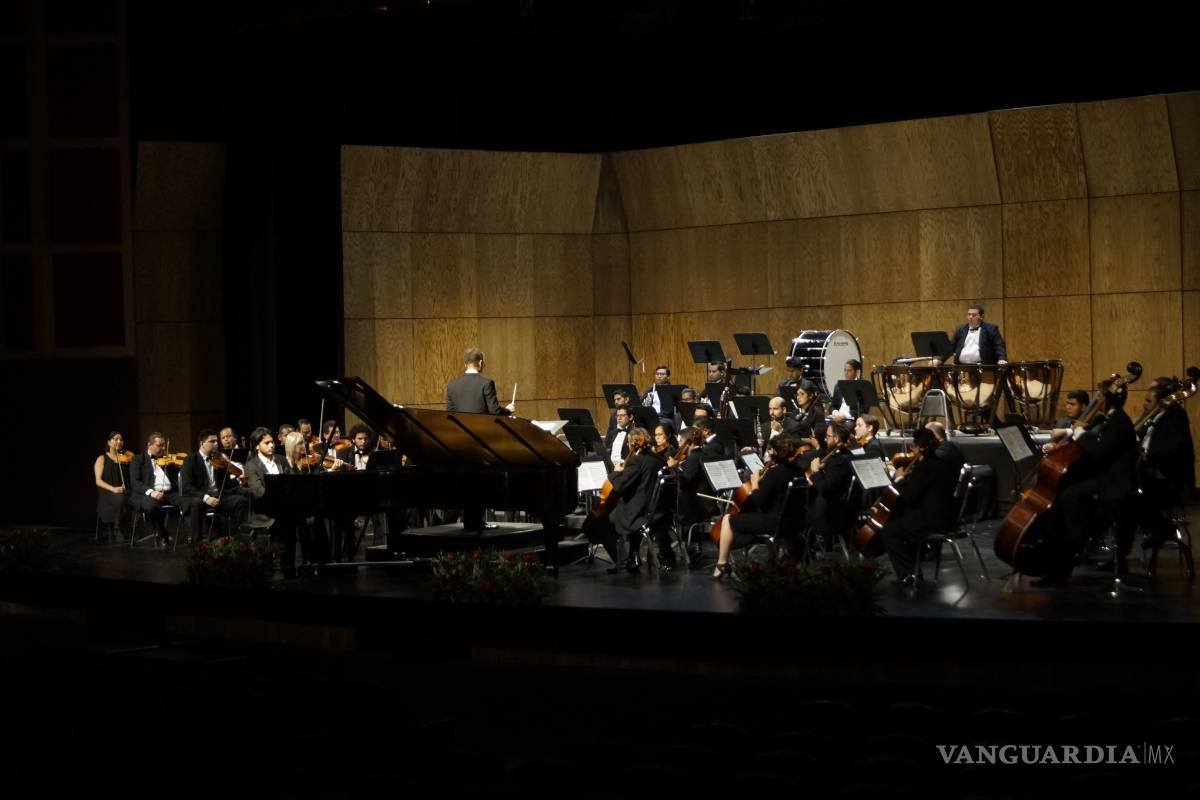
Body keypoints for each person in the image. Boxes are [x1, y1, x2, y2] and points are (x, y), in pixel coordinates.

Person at [1045, 384, 1138, 586]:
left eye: (1099, 396)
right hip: (1107, 478)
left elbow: (1098, 451)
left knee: (1069, 497)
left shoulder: (1118, 421)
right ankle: (1073, 545)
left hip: (1115, 484)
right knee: (1069, 496)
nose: (1096, 399)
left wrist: (1078, 433)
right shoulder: (1112, 418)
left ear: (1108, 400)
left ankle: (1077, 539)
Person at [711, 436, 806, 578]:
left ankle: (721, 564)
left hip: (773, 523)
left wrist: (755, 483)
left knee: (728, 519)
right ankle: (773, 560)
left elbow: (758, 501)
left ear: (774, 452)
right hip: (793, 523)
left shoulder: (774, 473)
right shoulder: (799, 471)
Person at [877, 428, 962, 583]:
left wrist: (900, 479)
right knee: (904, 527)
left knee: (888, 531)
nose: (911, 451)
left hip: (931, 521)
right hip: (949, 517)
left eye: (913, 447)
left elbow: (910, 498)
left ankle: (907, 575)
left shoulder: (924, 468)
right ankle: (915, 571)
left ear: (919, 447)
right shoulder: (944, 464)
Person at [242, 427, 299, 576]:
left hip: (284, 509)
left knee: (301, 519)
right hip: (265, 512)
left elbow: (292, 483)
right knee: (287, 521)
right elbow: (259, 492)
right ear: (257, 446)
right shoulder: (251, 465)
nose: (272, 445)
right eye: (267, 443)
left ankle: (292, 567)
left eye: (272, 442)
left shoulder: (281, 460)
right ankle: (278, 568)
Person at [181, 428, 248, 540]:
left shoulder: (219, 459)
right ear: (202, 443)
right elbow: (187, 486)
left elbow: (225, 484)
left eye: (217, 441)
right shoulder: (190, 460)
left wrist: (238, 480)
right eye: (212, 441)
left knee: (240, 501)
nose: (216, 444)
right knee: (196, 503)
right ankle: (195, 541)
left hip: (218, 497)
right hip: (200, 497)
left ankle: (229, 536)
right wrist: (206, 498)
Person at [807, 423, 856, 553]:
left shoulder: (839, 461)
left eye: (828, 436)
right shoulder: (846, 455)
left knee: (797, 514)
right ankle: (820, 545)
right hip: (840, 510)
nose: (824, 439)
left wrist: (816, 472)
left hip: (833, 515)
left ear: (837, 438)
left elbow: (825, 488)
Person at [129, 432, 181, 547]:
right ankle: (163, 534)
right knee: (151, 507)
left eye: (163, 445)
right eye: (159, 445)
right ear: (149, 445)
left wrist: (176, 464)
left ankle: (196, 536)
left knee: (190, 501)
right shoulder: (138, 459)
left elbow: (178, 477)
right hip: (147, 494)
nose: (163, 448)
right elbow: (135, 482)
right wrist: (151, 492)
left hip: (169, 493)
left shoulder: (167, 460)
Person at [446, 347, 516, 415]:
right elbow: (495, 411)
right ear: (480, 363)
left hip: (459, 427)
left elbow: (450, 414)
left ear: (465, 364)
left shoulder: (451, 385)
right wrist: (508, 410)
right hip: (482, 427)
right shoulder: (487, 383)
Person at [934, 303, 1008, 366]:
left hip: (982, 367)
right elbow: (950, 346)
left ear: (981, 317)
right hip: (961, 367)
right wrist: (939, 360)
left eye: (974, 315)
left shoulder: (991, 329)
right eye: (969, 315)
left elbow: (999, 345)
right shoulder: (960, 329)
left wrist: (1002, 359)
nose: (970, 317)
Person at [94, 431, 131, 539]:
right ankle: (117, 527)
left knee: (137, 497)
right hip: (108, 492)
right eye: (116, 439)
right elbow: (98, 481)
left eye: (121, 440)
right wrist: (113, 489)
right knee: (120, 499)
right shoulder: (101, 459)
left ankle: (131, 527)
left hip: (124, 490)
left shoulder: (126, 458)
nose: (119, 441)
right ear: (109, 442)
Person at [792, 380, 826, 452]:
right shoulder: (795, 412)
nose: (798, 397)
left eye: (802, 394)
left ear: (810, 396)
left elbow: (818, 438)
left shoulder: (817, 413)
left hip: (809, 448)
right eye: (797, 394)